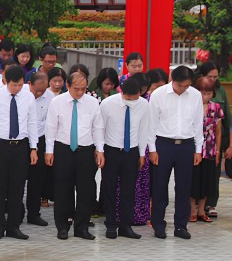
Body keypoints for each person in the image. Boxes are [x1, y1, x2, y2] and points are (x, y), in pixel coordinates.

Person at [45, 70, 104, 240]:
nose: (80, 92)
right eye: (76, 88)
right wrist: (49, 151)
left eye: (83, 89)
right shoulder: (57, 102)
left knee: (86, 190)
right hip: (63, 149)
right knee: (63, 190)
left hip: (86, 151)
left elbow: (98, 127)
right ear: (68, 86)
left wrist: (100, 150)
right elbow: (51, 128)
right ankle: (62, 226)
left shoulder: (92, 103)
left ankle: (82, 227)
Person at [0, 65, 39, 240]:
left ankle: (14, 226)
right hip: (0, 146)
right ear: (6, 81)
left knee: (17, 187)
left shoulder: (28, 97)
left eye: (20, 85)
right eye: (14, 85)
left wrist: (33, 148)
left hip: (20, 146)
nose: (17, 88)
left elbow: (32, 123)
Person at [149, 65, 203, 240]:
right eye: (181, 86)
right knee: (159, 186)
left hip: (186, 145)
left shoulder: (195, 95)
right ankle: (158, 224)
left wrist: (197, 149)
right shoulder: (158, 95)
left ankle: (180, 226)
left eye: (187, 86)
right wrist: (153, 149)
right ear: (173, 80)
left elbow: (197, 124)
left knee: (183, 187)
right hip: (163, 144)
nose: (184, 89)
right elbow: (151, 124)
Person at [98, 78, 151, 239]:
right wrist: (100, 150)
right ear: (121, 92)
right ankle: (111, 224)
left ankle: (125, 226)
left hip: (132, 152)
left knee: (129, 190)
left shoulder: (143, 104)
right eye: (128, 98)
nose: (132, 102)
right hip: (111, 151)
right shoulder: (108, 104)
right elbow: (100, 128)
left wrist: (142, 153)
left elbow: (143, 130)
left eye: (135, 98)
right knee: (109, 189)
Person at [191, 78, 223, 224]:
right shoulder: (191, 106)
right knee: (193, 179)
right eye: (203, 93)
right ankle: (192, 210)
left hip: (209, 148)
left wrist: (217, 151)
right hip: (193, 148)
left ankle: (202, 210)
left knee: (207, 179)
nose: (205, 96)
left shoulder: (216, 108)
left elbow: (218, 131)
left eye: (208, 93)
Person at [24, 71, 52, 225]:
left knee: (37, 179)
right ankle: (17, 211)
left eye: (43, 90)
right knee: (18, 179)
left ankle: (33, 214)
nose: (40, 93)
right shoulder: (21, 95)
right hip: (22, 140)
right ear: (29, 84)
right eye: (37, 90)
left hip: (41, 141)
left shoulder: (50, 98)